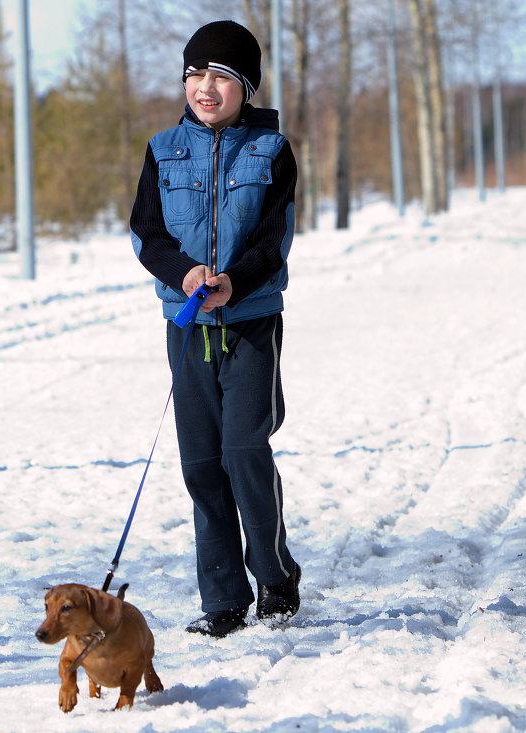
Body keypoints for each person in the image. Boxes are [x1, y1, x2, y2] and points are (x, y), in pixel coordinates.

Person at [129, 19, 301, 638]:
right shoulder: (160, 149)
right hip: (187, 324)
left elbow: (272, 240)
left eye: (223, 76)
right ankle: (224, 598)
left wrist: (235, 281)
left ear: (246, 88)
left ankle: (275, 577)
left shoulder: (272, 152)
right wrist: (185, 272)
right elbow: (146, 234)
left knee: (243, 451)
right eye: (196, 73)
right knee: (201, 463)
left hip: (251, 322)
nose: (206, 86)